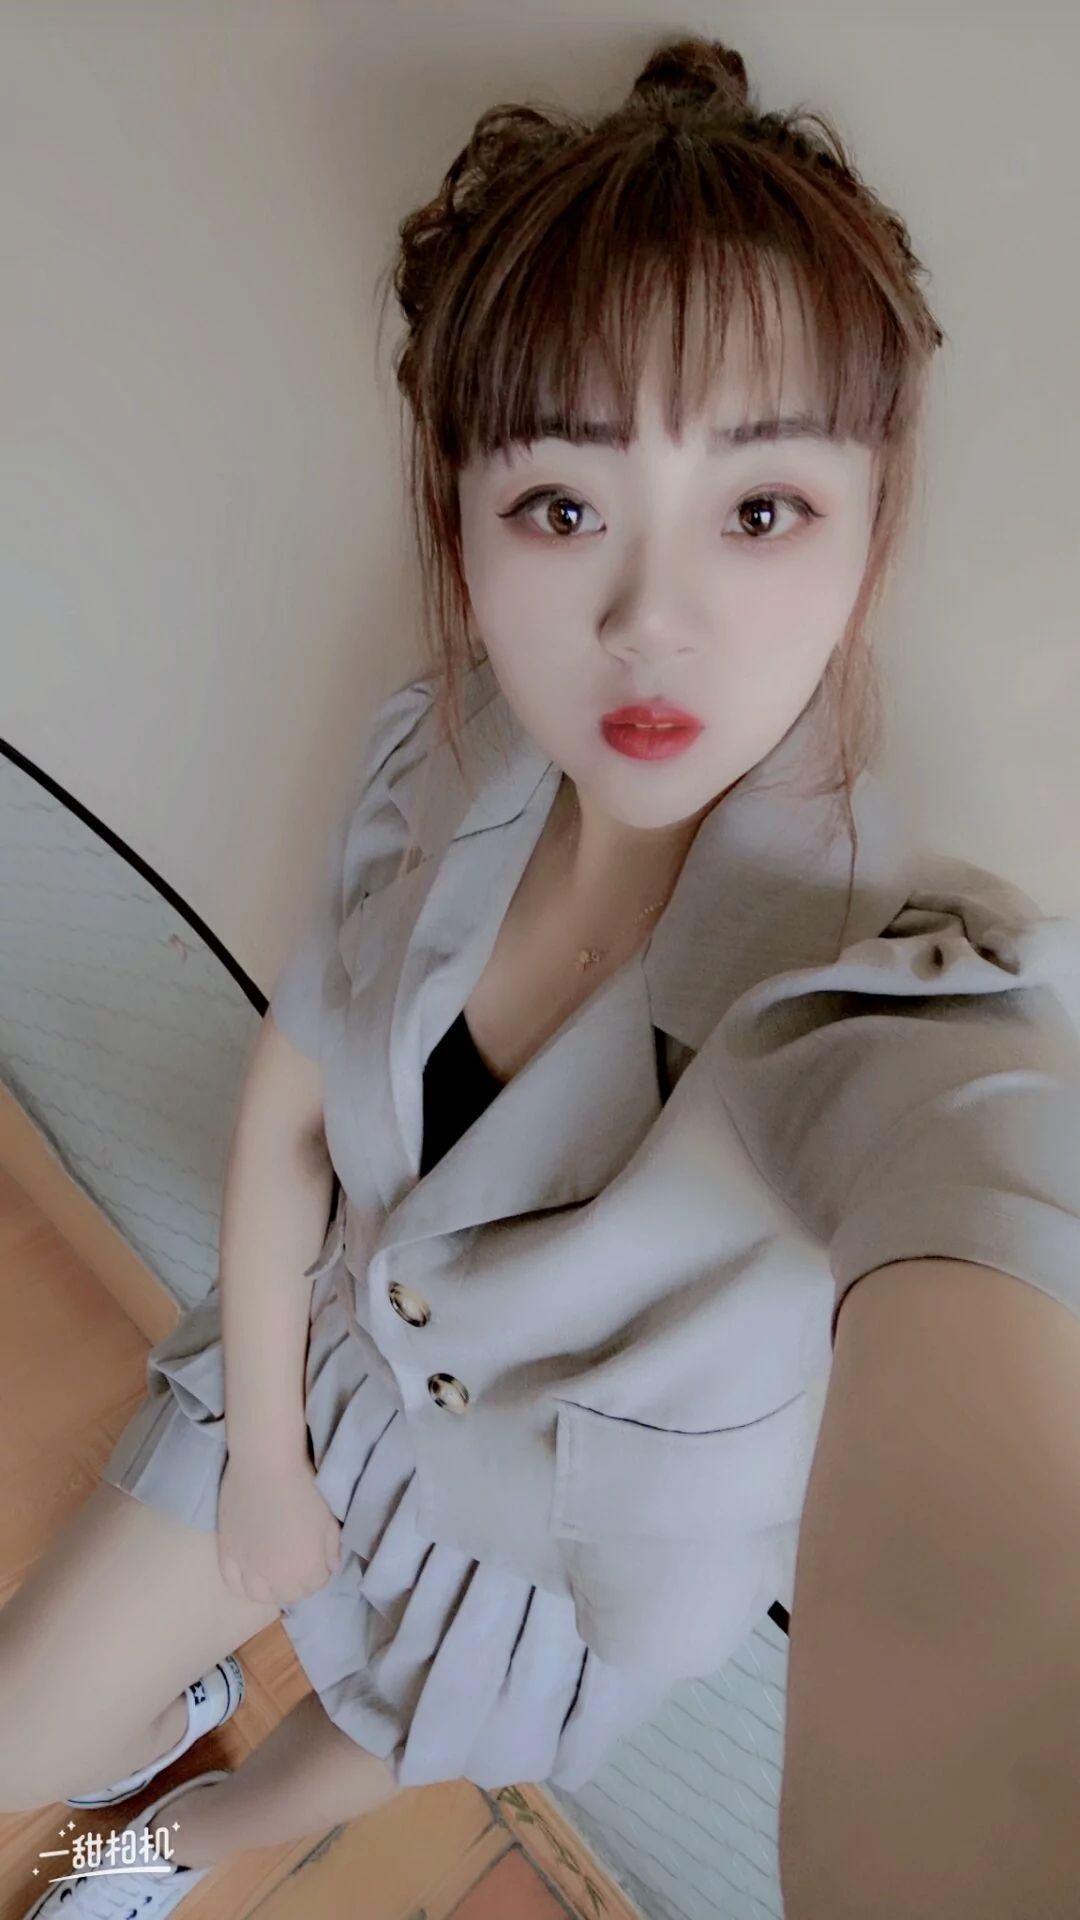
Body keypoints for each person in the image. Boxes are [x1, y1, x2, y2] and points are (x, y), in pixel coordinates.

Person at [5, 33, 1080, 1919]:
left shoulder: (887, 993)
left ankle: (149, 1846)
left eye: (760, 510)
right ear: (463, 523)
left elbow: (977, 1224)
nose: (651, 618)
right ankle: (156, 1723)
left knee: (304, 1776)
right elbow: (291, 1099)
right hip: (305, 1384)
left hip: (530, 1596)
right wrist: (271, 1464)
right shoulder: (447, 755)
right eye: (563, 508)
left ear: (870, 524)